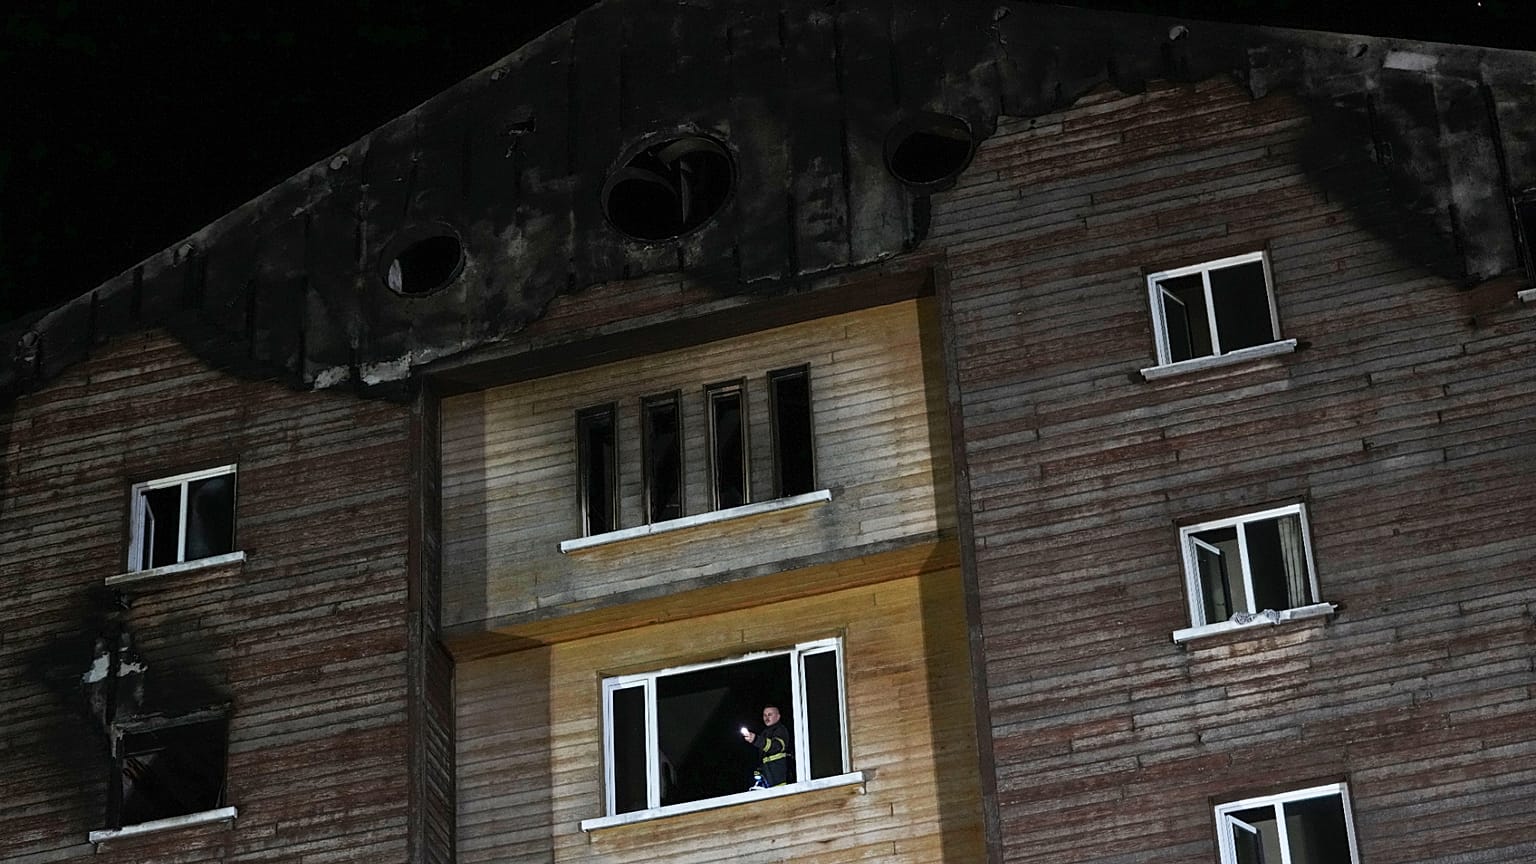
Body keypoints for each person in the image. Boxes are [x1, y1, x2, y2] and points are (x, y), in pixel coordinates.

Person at [741, 704, 792, 788]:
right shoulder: (765, 733)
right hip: (769, 777)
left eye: (770, 715)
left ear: (778, 716)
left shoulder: (780, 730)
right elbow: (763, 757)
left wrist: (756, 739)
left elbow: (776, 747)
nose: (766, 718)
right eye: (764, 715)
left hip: (780, 776)